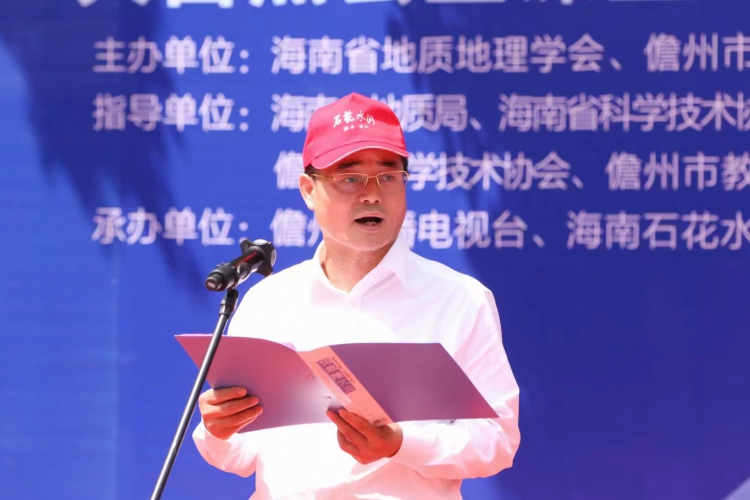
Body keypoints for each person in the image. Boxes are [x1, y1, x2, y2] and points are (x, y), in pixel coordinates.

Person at [193, 92, 520, 499]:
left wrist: (401, 444)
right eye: (350, 179)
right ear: (308, 190)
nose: (372, 195)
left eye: (388, 177)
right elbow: (239, 456)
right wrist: (219, 428)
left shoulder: (458, 299)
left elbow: (497, 440)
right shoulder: (269, 301)